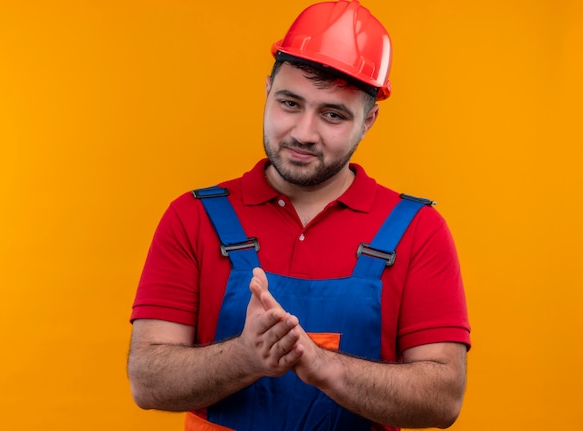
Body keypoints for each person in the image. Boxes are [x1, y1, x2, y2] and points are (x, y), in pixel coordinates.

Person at [127, 1, 471, 430]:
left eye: (332, 114)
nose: (303, 133)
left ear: (369, 121)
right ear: (268, 89)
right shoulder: (192, 217)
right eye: (290, 103)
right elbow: (146, 380)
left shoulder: (417, 231)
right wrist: (245, 357)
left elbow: (444, 400)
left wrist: (323, 367)